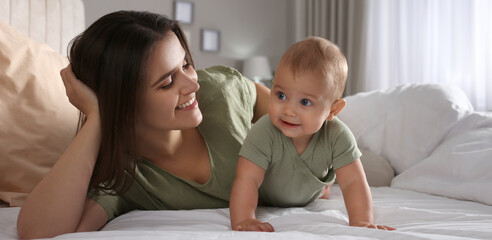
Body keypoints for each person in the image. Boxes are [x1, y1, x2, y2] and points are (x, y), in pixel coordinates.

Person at [16, 11, 270, 239]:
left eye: (186, 65)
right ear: (123, 102)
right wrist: (97, 117)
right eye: (167, 82)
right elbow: (38, 232)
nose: (193, 85)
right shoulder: (124, 178)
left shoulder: (221, 92)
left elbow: (299, 117)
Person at [229, 37, 395, 232]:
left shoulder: (338, 136)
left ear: (333, 110)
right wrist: (244, 219)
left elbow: (353, 182)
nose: (288, 111)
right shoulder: (263, 131)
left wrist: (361, 221)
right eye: (281, 95)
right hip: (268, 196)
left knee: (335, 181)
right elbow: (247, 178)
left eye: (305, 102)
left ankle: (323, 188)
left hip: (311, 191)